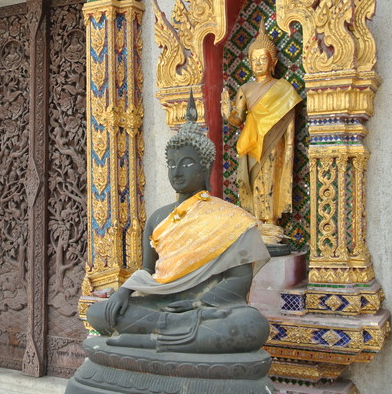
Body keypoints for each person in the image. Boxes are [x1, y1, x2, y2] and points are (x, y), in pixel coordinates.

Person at [86, 93, 271, 354]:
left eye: (186, 163)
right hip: (161, 303)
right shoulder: (157, 218)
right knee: (97, 313)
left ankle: (153, 338)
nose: (177, 171)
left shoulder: (232, 219)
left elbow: (239, 280)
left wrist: (198, 304)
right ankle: (173, 334)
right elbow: (148, 270)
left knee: (251, 325)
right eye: (172, 164)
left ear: (206, 168)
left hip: (205, 310)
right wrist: (124, 292)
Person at [221, 19, 302, 243]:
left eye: (263, 59)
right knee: (254, 181)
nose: (258, 63)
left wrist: (289, 150)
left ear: (273, 62)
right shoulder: (245, 89)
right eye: (254, 60)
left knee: (271, 178)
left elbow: (289, 122)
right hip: (251, 142)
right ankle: (256, 221)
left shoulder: (283, 88)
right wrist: (227, 114)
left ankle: (271, 222)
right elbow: (238, 119)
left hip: (274, 142)